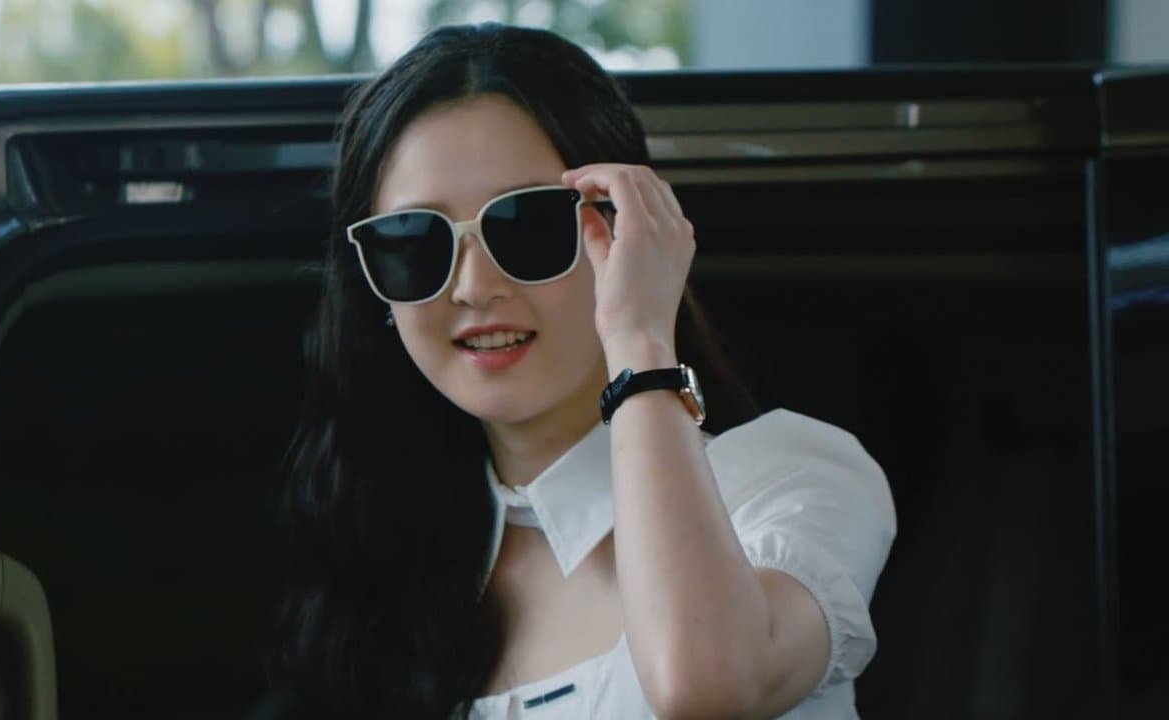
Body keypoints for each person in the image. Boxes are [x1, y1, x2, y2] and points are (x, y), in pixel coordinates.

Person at [265, 22, 896, 720]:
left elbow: (707, 688)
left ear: (629, 234)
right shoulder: (384, 561)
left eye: (526, 225)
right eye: (415, 242)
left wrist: (640, 339)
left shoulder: (787, 479)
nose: (474, 287)